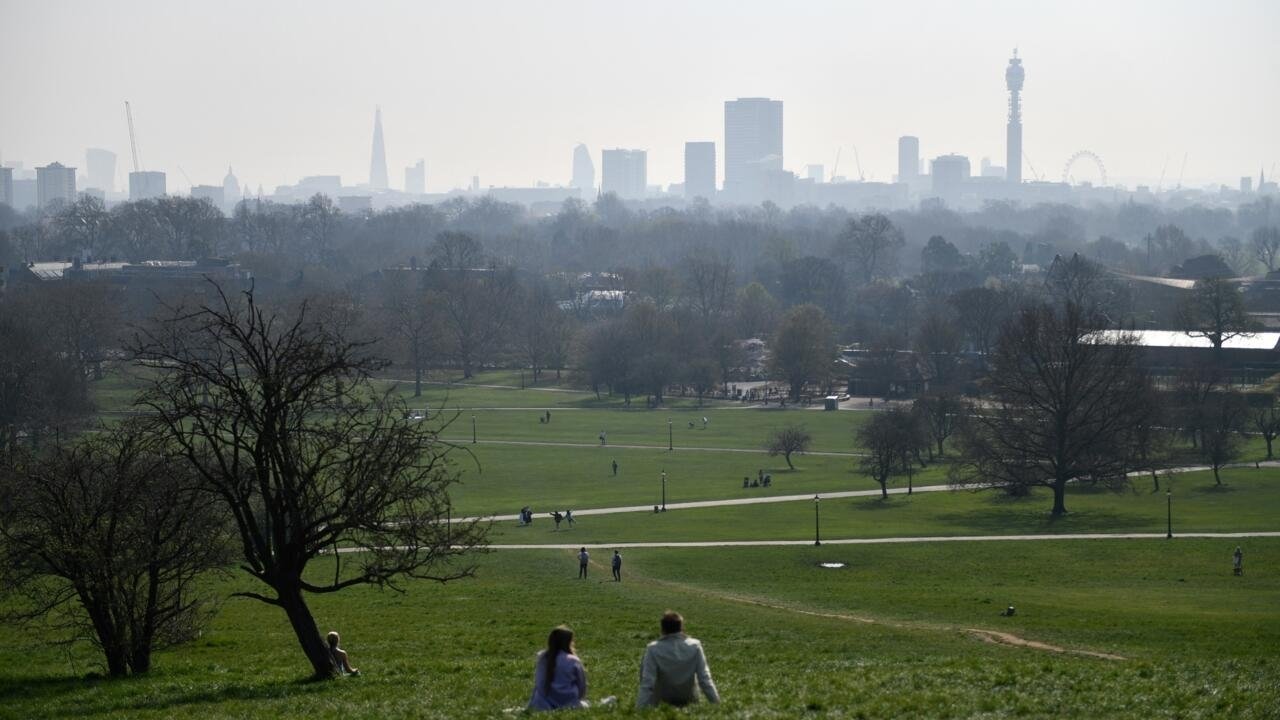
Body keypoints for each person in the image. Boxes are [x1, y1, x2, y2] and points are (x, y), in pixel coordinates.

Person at [636, 611, 718, 708]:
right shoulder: (695, 646)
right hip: (689, 700)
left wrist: (639, 708)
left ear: (662, 629)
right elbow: (705, 679)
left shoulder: (653, 649)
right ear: (681, 627)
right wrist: (717, 704)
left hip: (661, 702)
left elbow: (647, 682)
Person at [527, 626, 588, 711]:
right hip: (568, 701)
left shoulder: (543, 657)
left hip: (544, 702)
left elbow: (539, 681)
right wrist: (579, 698)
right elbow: (581, 684)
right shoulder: (573, 660)